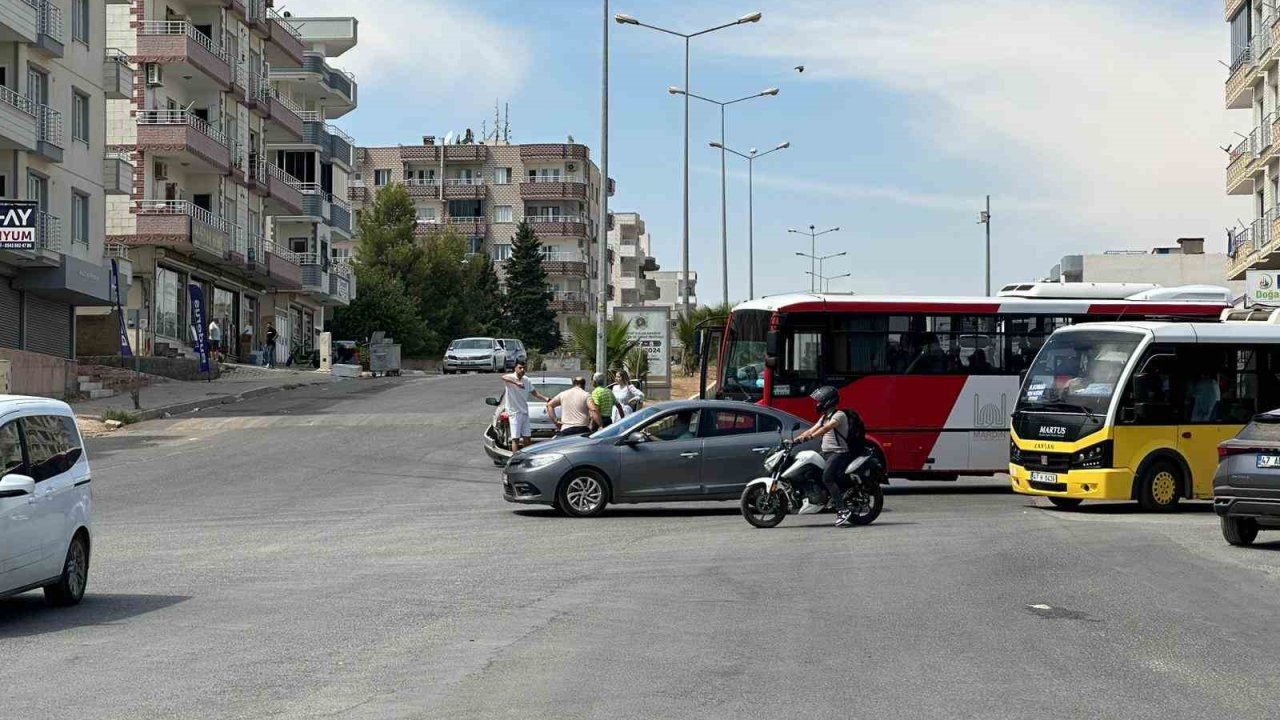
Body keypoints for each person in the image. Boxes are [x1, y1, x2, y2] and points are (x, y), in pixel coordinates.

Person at [793, 386, 867, 527]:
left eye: (820, 401)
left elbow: (825, 429)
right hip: (826, 454)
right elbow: (812, 429)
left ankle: (842, 510)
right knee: (811, 472)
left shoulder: (839, 415)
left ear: (828, 401)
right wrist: (795, 440)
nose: (817, 404)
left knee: (827, 478)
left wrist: (810, 438)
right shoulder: (824, 417)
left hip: (839, 453)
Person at [502, 361, 549, 452]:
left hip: (524, 413)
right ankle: (515, 459)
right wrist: (516, 382)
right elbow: (503, 377)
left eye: (524, 368)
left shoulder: (526, 380)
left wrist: (546, 398)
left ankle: (527, 457)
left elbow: (534, 393)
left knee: (527, 438)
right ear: (515, 368)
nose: (522, 370)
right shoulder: (511, 377)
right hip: (514, 413)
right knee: (515, 439)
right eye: (520, 368)